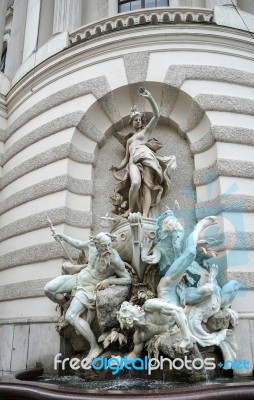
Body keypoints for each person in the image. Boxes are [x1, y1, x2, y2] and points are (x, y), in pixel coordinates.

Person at [44, 232, 131, 362]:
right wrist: (63, 237)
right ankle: (66, 304)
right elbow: (78, 244)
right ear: (97, 244)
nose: (107, 248)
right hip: (77, 278)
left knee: (71, 316)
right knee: (48, 289)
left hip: (88, 289)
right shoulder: (91, 245)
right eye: (104, 245)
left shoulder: (113, 258)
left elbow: (127, 279)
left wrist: (109, 281)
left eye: (109, 245)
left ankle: (94, 346)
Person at [111, 87, 176, 218]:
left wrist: (149, 97)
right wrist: (118, 167)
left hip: (147, 158)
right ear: (131, 122)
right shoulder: (129, 141)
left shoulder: (145, 132)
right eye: (136, 119)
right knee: (135, 183)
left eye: (140, 119)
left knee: (147, 187)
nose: (138, 121)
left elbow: (157, 115)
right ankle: (130, 209)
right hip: (133, 162)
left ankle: (145, 215)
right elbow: (126, 158)